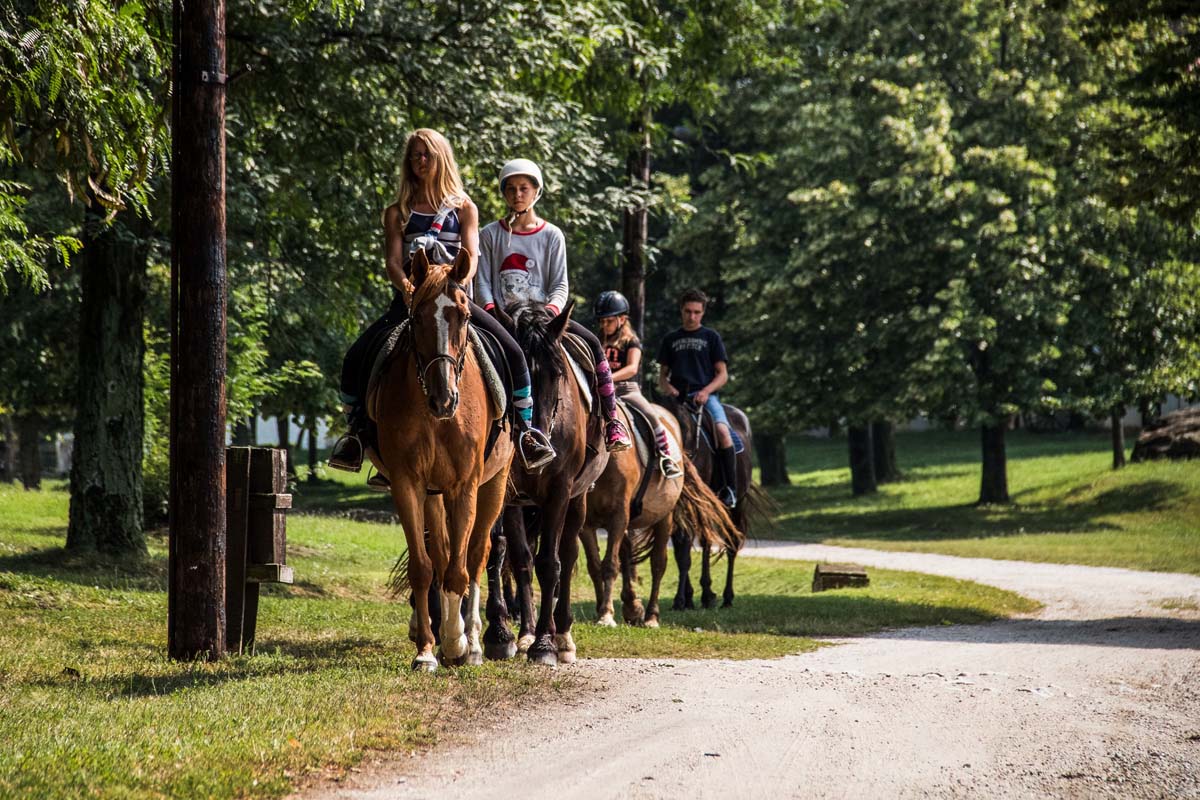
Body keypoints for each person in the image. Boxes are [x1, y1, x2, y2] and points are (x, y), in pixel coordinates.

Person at [328, 130, 556, 486]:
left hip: (453, 300)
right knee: (356, 356)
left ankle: (525, 432)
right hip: (411, 300)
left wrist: (457, 289)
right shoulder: (397, 212)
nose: (420, 161)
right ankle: (358, 435)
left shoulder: (463, 207)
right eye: (414, 156)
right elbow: (392, 261)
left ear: (440, 158)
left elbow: (472, 255)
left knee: (512, 350)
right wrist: (406, 289)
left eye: (426, 155)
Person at [476, 158, 631, 453]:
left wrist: (550, 313)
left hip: (542, 319)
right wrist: (491, 310)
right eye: (510, 189)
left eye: (524, 188)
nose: (517, 194)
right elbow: (482, 280)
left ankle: (611, 420)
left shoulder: (551, 235)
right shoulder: (489, 234)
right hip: (503, 319)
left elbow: (560, 284)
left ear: (536, 192)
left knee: (593, 343)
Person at [656, 288, 737, 507]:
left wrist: (706, 392)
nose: (692, 316)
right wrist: (669, 389)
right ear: (681, 311)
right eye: (688, 311)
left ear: (702, 313)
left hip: (705, 396)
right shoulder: (671, 339)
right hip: (677, 398)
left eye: (696, 312)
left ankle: (730, 488)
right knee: (655, 430)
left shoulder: (711, 337)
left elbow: (723, 374)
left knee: (722, 432)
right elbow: (662, 376)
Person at [594, 290, 683, 479]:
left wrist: (607, 378)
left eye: (608, 321)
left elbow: (632, 368)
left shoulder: (631, 341)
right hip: (600, 390)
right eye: (602, 321)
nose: (604, 325)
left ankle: (666, 455)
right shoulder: (598, 341)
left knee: (651, 415)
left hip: (626, 390)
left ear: (622, 319)